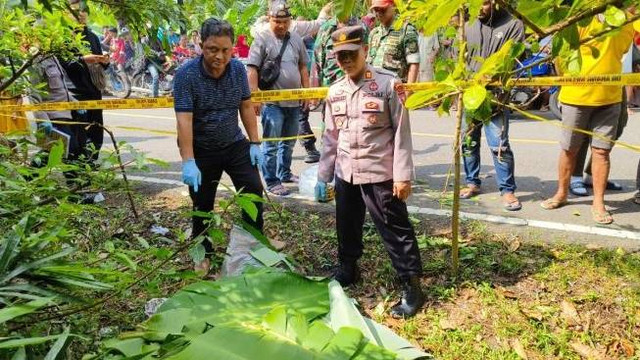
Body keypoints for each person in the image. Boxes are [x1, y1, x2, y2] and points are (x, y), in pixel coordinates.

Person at [315, 26, 423, 318]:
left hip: (380, 173)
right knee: (346, 225)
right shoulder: (335, 91)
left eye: (351, 54)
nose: (346, 61)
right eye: (340, 57)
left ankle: (411, 283)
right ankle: (348, 269)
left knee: (395, 229)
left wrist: (402, 175)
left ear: (364, 49)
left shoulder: (388, 84)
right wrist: (323, 175)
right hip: (346, 173)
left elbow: (402, 133)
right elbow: (330, 137)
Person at [174, 18, 264, 274]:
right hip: (201, 149)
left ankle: (255, 242)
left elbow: (246, 105)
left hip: (234, 143)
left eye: (226, 50)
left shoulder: (237, 70)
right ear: (201, 45)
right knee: (202, 202)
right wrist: (188, 160)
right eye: (213, 49)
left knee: (254, 190)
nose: (220, 56)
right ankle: (202, 249)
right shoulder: (186, 75)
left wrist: (255, 142)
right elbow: (184, 121)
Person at [542, 11, 638, 224]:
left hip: (610, 98)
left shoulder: (626, 21)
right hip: (576, 97)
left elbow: (621, 50)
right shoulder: (579, 19)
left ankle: (598, 202)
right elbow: (561, 58)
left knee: (601, 152)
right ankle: (561, 193)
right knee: (569, 149)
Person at [459, 0, 524, 211]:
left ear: (496, 2)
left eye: (485, 3)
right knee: (468, 142)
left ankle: (507, 190)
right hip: (470, 95)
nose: (479, 7)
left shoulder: (513, 25)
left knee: (499, 145)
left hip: (496, 96)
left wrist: (491, 75)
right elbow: (459, 59)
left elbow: (514, 58)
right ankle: (472, 182)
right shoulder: (468, 27)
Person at [247, 0, 310, 197]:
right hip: (272, 103)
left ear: (290, 21)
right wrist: (255, 96)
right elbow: (252, 69)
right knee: (272, 144)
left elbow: (302, 67)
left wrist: (307, 93)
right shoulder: (261, 39)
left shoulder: (297, 39)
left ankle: (285, 174)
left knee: (289, 141)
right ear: (270, 19)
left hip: (294, 102)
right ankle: (272, 181)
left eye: (285, 21)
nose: (281, 25)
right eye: (277, 21)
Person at [63, 0, 109, 166]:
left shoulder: (93, 37)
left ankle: (91, 165)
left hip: (94, 91)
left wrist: (104, 60)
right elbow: (65, 64)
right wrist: (83, 59)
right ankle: (79, 172)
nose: (81, 15)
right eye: (76, 12)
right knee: (79, 135)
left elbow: (100, 61)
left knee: (96, 132)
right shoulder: (64, 37)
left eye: (83, 12)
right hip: (75, 93)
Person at [367, 0, 420, 84]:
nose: (379, 13)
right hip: (375, 89)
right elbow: (369, 64)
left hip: (396, 89)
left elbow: (414, 64)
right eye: (376, 10)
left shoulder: (406, 30)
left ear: (393, 7)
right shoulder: (374, 34)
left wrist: (407, 93)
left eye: (383, 9)